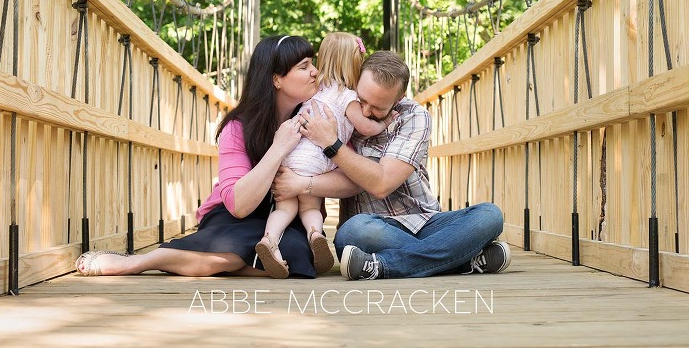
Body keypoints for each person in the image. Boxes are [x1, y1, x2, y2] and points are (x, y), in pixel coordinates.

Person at [75, 34, 323, 278]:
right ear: (276, 79)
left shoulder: (317, 118)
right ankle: (139, 262)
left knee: (298, 252)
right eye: (304, 66)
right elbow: (238, 206)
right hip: (234, 218)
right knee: (261, 245)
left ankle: (217, 263)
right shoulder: (237, 127)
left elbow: (344, 178)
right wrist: (278, 148)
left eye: (312, 63)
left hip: (282, 217)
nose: (315, 71)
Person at [272, 50, 511, 280]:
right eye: (362, 100)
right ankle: (461, 260)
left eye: (377, 108)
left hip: (424, 221)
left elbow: (382, 184)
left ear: (398, 100)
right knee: (351, 232)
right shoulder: (342, 109)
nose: (366, 111)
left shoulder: (414, 116)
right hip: (370, 228)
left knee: (490, 215)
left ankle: (384, 265)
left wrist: (331, 144)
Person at [255, 32, 396, 278]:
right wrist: (385, 123)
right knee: (309, 206)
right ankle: (316, 235)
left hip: (291, 156)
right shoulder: (350, 98)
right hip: (315, 161)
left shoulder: (315, 91)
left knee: (284, 209)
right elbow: (365, 127)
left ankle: (269, 242)